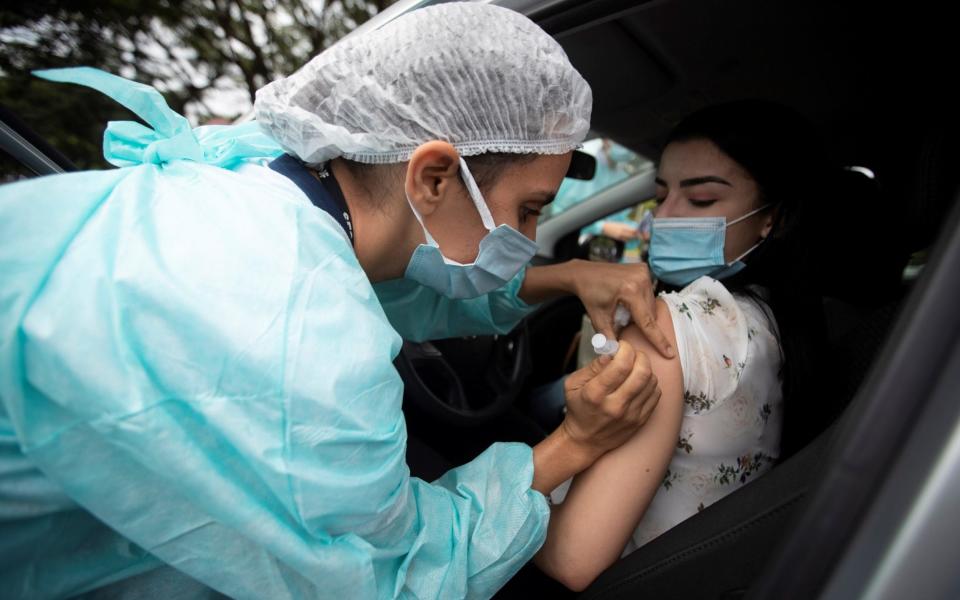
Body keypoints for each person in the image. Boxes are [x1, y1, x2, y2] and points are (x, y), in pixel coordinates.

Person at [0, 4, 677, 599]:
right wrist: (578, 441)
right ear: (434, 175)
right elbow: (398, 578)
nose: (529, 243)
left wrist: (564, 278)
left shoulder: (263, 201)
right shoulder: (305, 339)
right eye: (528, 212)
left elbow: (411, 294)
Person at [533, 99, 832, 591]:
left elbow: (573, 559)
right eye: (660, 195)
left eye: (701, 201)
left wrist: (485, 498)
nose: (664, 218)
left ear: (770, 219)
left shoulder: (669, 322)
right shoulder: (780, 325)